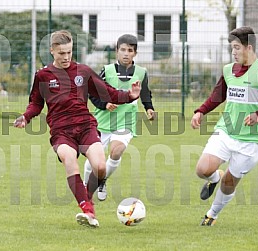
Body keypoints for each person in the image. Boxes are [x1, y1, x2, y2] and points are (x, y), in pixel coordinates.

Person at [13, 30, 141, 228]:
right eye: (61, 53)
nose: (66, 57)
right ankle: (87, 209)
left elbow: (108, 93)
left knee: (99, 167)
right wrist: (26, 117)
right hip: (61, 131)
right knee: (69, 158)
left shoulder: (83, 71)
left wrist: (130, 96)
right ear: (52, 51)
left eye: (69, 52)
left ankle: (86, 196)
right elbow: (36, 104)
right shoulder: (43, 75)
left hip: (86, 126)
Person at [191, 26, 258, 226]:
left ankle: (212, 215)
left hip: (250, 140)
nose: (233, 52)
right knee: (202, 169)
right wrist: (200, 111)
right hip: (226, 131)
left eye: (236, 48)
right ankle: (215, 177)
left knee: (229, 183)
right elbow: (218, 96)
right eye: (231, 48)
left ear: (248, 48)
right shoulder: (228, 70)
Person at [83, 34, 155, 201]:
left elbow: (145, 93)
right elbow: (92, 92)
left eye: (130, 50)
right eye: (122, 50)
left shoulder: (141, 73)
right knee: (94, 159)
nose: (126, 54)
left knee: (116, 151)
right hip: (103, 121)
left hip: (126, 121)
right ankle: (87, 186)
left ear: (135, 53)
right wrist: (104, 104)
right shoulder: (106, 71)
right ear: (117, 51)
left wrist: (149, 108)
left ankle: (101, 180)